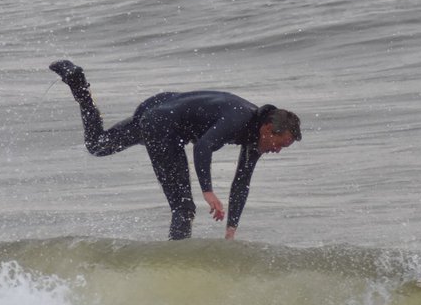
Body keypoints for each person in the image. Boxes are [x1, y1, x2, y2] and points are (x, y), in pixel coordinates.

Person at [48, 60, 301, 240]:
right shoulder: (240, 118)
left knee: (98, 144)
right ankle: (175, 261)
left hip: (160, 111)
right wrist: (208, 191)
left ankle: (79, 87)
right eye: (280, 144)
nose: (277, 150)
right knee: (184, 208)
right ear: (268, 128)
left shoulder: (256, 136)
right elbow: (203, 147)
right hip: (163, 125)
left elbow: (241, 182)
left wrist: (231, 230)